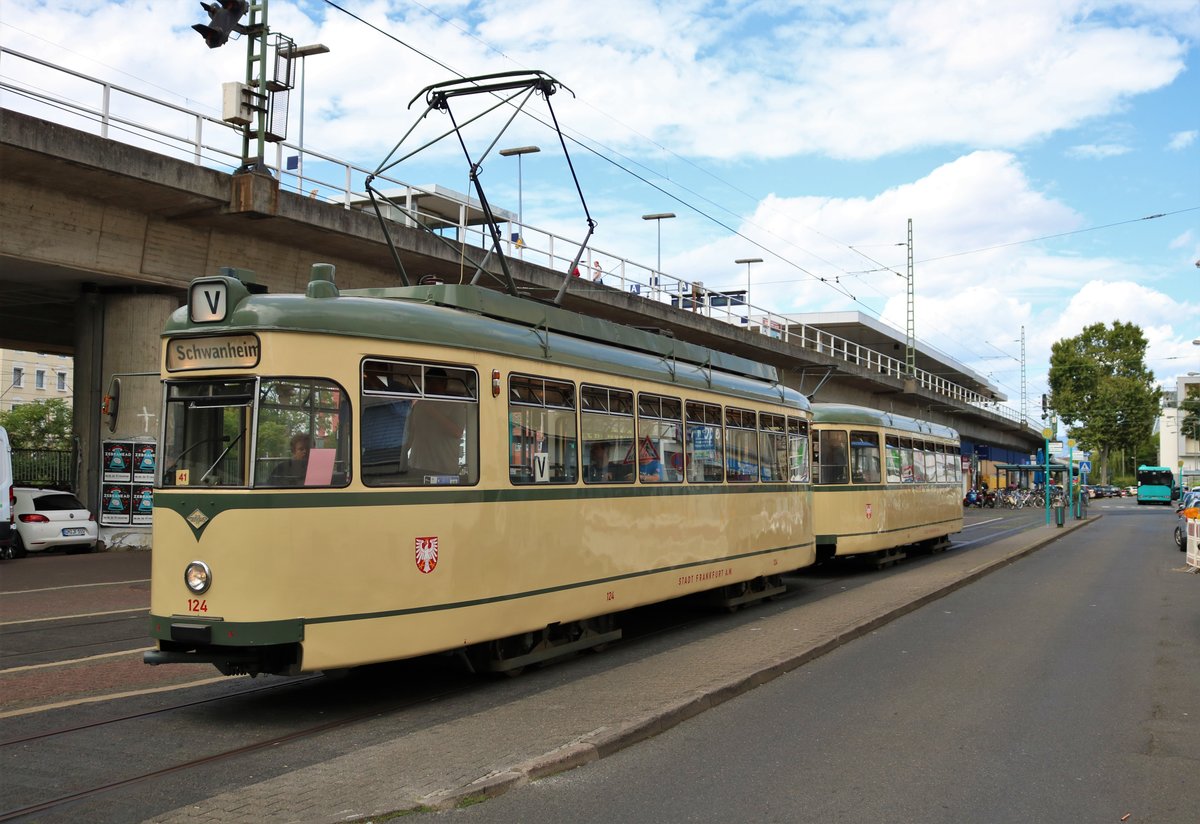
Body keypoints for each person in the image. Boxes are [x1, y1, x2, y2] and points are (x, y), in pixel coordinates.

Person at [407, 370, 465, 476]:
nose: (429, 387)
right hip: (416, 466)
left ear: (444, 384)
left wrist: (431, 410)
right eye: (428, 382)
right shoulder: (419, 406)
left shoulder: (456, 405)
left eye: (434, 383)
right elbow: (412, 433)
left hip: (443, 468)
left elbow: (457, 432)